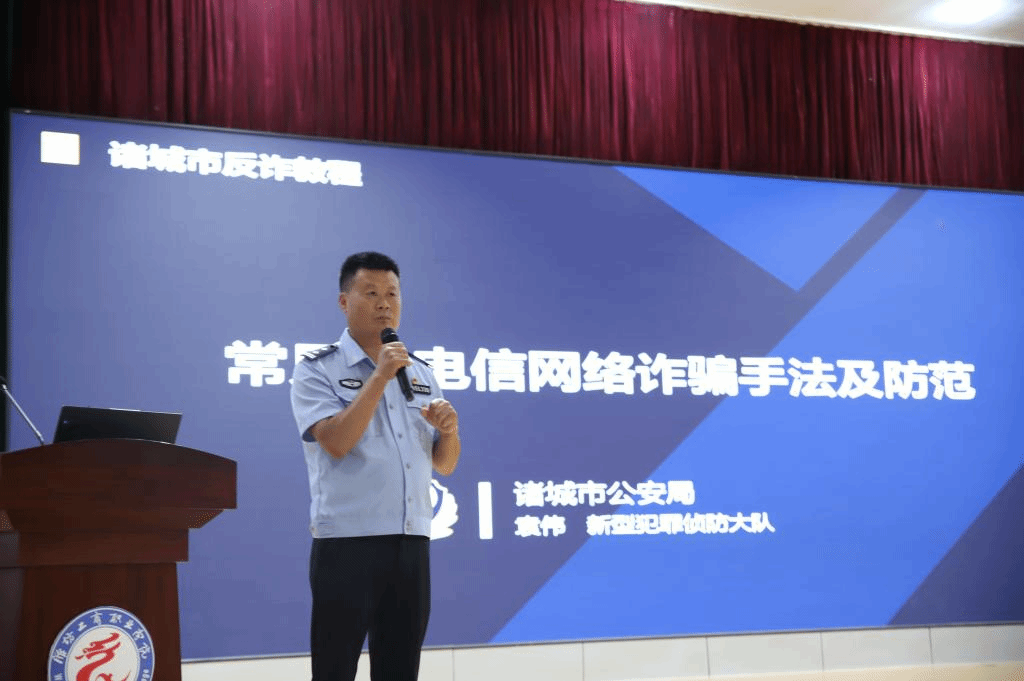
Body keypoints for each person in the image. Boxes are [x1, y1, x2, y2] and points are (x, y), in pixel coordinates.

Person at [290, 251, 461, 681]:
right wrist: (379, 377)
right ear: (344, 301)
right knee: (335, 669)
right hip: (347, 544)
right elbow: (335, 443)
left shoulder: (420, 371)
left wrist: (450, 432)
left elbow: (444, 465)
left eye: (392, 294)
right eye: (370, 293)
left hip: (410, 542)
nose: (385, 303)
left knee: (400, 669)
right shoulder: (317, 369)